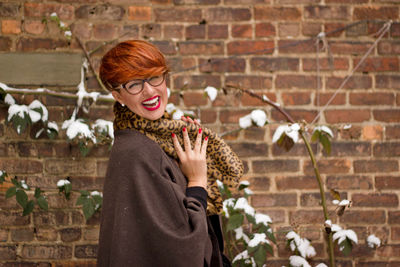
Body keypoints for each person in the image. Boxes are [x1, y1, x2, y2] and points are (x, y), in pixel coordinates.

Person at [97, 40, 243, 267]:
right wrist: (197, 180)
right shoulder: (136, 152)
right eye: (134, 84)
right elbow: (181, 249)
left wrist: (183, 158)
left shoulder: (157, 139)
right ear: (118, 95)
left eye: (155, 77)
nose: (149, 91)